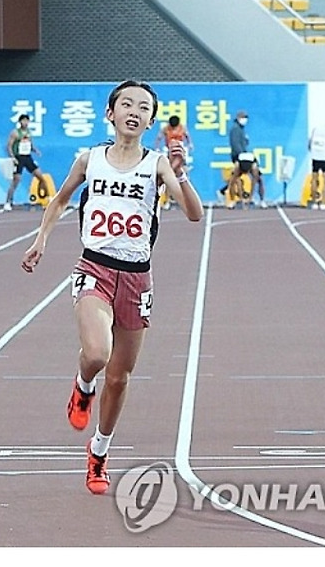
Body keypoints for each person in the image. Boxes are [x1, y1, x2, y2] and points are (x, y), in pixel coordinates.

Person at [21, 78, 204, 496]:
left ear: (151, 121)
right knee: (97, 354)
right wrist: (41, 239)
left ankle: (99, 452)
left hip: (137, 277)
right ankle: (83, 386)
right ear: (110, 113)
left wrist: (181, 176)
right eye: (127, 104)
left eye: (143, 107)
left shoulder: (157, 164)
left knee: (119, 378)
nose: (134, 112)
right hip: (95, 268)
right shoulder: (90, 160)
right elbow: (61, 199)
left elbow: (194, 214)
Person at [3, 114, 46, 210]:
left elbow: (31, 145)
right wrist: (12, 157)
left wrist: (36, 150)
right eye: (23, 121)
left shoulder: (29, 132)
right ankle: (8, 202)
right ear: (20, 122)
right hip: (19, 158)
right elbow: (9, 146)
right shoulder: (15, 133)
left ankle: (46, 198)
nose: (25, 123)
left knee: (41, 177)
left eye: (27, 121)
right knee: (16, 181)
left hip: (28, 157)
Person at [222, 109, 265, 207]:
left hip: (246, 157)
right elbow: (235, 145)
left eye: (246, 117)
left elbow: (244, 144)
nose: (245, 119)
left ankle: (256, 199)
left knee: (258, 178)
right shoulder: (235, 129)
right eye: (243, 117)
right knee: (234, 179)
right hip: (240, 158)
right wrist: (241, 156)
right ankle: (234, 200)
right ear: (238, 118)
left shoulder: (242, 130)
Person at [154, 114, 193, 210]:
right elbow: (159, 138)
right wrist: (157, 148)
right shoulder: (166, 128)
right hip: (170, 151)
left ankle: (185, 199)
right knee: (168, 175)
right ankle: (167, 199)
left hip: (180, 151)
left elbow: (188, 136)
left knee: (184, 174)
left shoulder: (182, 127)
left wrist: (190, 144)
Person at [308, 122, 325, 208]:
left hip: (315, 156)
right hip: (324, 157)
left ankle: (314, 202)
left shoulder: (316, 129)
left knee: (314, 179)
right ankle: (323, 202)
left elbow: (309, 144)